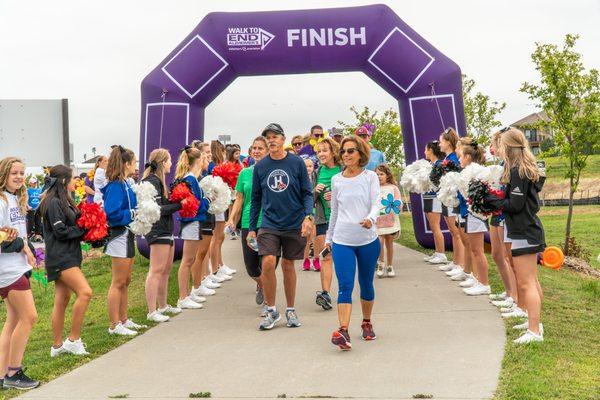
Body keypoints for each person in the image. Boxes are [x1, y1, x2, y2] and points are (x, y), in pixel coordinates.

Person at [248, 123, 313, 330]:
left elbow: (307, 192)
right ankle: (271, 310)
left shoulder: (296, 163)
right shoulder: (261, 166)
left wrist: (308, 216)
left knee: (287, 265)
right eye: (268, 137)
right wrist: (251, 228)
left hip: (294, 221)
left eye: (275, 136)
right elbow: (256, 199)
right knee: (267, 263)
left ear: (283, 139)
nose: (271, 140)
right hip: (269, 223)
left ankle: (291, 310)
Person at [484, 127, 546, 344]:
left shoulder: (519, 171)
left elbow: (515, 205)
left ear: (508, 146)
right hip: (523, 229)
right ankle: (534, 323)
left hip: (524, 229)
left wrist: (492, 200)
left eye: (501, 145)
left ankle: (534, 331)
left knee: (527, 282)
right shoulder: (519, 168)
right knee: (529, 281)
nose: (498, 148)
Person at [326, 136, 381, 350]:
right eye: (344, 151)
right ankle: (343, 331)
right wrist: (329, 239)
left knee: (366, 284)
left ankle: (366, 323)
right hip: (342, 240)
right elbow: (335, 213)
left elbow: (376, 201)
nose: (346, 154)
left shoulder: (370, 177)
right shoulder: (337, 180)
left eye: (351, 151)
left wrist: (371, 218)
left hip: (368, 239)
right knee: (345, 286)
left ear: (360, 153)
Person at [39, 165, 93, 356]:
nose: (75, 181)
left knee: (62, 299)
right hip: (61, 257)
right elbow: (60, 231)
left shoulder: (65, 201)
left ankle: (56, 346)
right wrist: (83, 231)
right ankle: (73, 339)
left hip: (68, 255)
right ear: (63, 181)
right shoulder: (53, 202)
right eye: (72, 179)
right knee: (85, 292)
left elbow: (73, 224)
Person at [0, 157, 39, 390]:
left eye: (22, 173)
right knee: (30, 317)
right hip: (7, 269)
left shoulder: (15, 198)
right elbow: (2, 238)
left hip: (18, 266)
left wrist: (28, 248)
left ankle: (2, 375)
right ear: (4, 174)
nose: (19, 177)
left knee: (13, 321)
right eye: (14, 172)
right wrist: (22, 246)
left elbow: (18, 234)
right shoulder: (1, 200)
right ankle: (14, 372)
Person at [102, 145, 144, 336]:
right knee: (118, 281)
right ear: (126, 164)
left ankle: (123, 319)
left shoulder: (126, 182)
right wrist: (134, 212)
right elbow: (112, 213)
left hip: (128, 234)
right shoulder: (115, 185)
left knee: (126, 280)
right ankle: (113, 324)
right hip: (119, 235)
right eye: (134, 162)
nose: (136, 165)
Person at [226, 136, 270, 310]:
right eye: (254, 148)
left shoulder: (271, 171)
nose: (257, 151)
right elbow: (239, 198)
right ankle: (262, 284)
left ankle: (269, 300)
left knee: (266, 264)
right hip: (248, 223)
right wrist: (231, 218)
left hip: (268, 223)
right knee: (251, 267)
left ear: (267, 151)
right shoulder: (244, 173)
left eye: (260, 148)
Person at [142, 149, 183, 322]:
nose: (171, 164)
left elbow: (164, 204)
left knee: (165, 270)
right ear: (163, 162)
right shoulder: (152, 181)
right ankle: (152, 311)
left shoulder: (159, 181)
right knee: (156, 270)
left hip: (165, 229)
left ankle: (163, 305)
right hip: (157, 230)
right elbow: (157, 209)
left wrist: (178, 199)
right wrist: (180, 204)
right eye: (169, 160)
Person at [175, 146, 212, 310]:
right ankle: (183, 297)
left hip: (193, 222)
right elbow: (194, 204)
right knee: (188, 260)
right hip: (191, 222)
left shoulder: (191, 178)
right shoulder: (190, 179)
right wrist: (209, 201)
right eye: (202, 158)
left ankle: (188, 293)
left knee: (190, 259)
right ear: (197, 160)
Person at [487, 132, 519, 309]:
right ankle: (511, 293)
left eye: (494, 144)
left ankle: (515, 297)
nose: (492, 148)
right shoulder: (501, 165)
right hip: (499, 213)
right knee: (503, 257)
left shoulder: (510, 166)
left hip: (505, 215)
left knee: (511, 260)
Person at [456, 139, 491, 295]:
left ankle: (484, 283)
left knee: (477, 250)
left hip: (476, 214)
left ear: (468, 157)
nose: (459, 159)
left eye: (461, 156)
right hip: (471, 213)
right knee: (475, 250)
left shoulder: (475, 171)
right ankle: (478, 279)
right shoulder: (469, 171)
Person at [313, 138, 341, 310]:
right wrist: (314, 192)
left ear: (333, 152)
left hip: (343, 220)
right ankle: (325, 293)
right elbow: (307, 197)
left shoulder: (342, 169)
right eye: (318, 151)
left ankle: (345, 291)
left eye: (324, 150)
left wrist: (337, 196)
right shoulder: (317, 173)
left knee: (344, 257)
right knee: (326, 256)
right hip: (324, 220)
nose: (321, 154)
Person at [436, 128, 468, 276]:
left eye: (441, 141)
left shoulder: (454, 158)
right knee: (452, 230)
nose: (439, 144)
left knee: (456, 232)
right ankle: (456, 262)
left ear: (448, 142)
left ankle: (460, 264)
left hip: (454, 199)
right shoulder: (447, 158)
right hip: (447, 197)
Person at [375, 164, 401, 278]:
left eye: (381, 174)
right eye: (377, 174)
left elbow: (398, 201)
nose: (379, 176)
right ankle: (381, 264)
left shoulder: (393, 188)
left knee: (389, 243)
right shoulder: (373, 188)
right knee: (379, 243)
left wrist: (396, 206)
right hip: (378, 221)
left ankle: (390, 265)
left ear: (387, 175)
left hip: (390, 220)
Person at [422, 141, 447, 264]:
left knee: (436, 226)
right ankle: (437, 252)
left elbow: (439, 184)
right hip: (427, 197)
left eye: (426, 149)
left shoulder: (439, 164)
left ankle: (442, 254)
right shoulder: (431, 164)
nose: (424, 152)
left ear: (431, 150)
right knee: (432, 226)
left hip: (435, 198)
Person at [301, 157, 317, 272]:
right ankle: (306, 260)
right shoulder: (299, 179)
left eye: (310, 166)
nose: (308, 168)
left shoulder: (316, 179)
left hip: (315, 211)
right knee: (307, 239)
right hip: (304, 212)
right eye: (305, 166)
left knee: (314, 237)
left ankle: (316, 260)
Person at [26, 176, 43, 242]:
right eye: (33, 183)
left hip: (38, 209)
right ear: (30, 183)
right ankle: (27, 235)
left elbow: (41, 198)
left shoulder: (39, 190)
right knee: (30, 223)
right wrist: (27, 206)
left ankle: (37, 236)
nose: (35, 184)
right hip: (31, 209)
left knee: (38, 223)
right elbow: (26, 199)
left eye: (35, 182)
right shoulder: (28, 190)